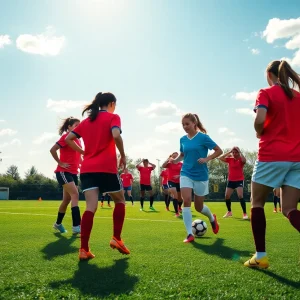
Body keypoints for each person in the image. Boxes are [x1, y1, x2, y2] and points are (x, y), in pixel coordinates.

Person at [244, 60, 300, 269]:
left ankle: (260, 257)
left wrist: (259, 131)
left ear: (269, 75)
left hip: (272, 155)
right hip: (297, 158)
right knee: (289, 209)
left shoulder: (265, 92)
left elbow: (260, 118)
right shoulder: (298, 97)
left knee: (257, 203)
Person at [65, 92, 130, 260]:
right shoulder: (113, 117)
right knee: (120, 200)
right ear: (111, 103)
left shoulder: (86, 122)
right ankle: (116, 237)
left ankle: (84, 249)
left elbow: (69, 139)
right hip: (107, 168)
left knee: (90, 207)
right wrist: (122, 155)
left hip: (87, 169)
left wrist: (83, 152)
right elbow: (116, 135)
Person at [170, 113, 222, 242]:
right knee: (186, 200)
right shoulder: (182, 139)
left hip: (201, 175)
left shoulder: (203, 138)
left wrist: (206, 159)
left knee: (199, 207)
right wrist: (176, 160)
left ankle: (212, 218)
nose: (185, 127)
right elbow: (182, 154)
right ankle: (189, 234)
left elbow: (218, 151)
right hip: (186, 173)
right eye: (183, 124)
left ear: (194, 123)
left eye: (187, 124)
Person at [50, 117, 82, 235]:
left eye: (79, 125)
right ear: (69, 127)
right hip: (63, 172)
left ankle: (57, 224)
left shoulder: (78, 140)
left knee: (67, 200)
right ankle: (76, 226)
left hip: (74, 173)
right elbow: (53, 149)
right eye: (76, 125)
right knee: (75, 195)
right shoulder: (65, 137)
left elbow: (79, 157)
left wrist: (82, 165)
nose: (78, 128)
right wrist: (60, 162)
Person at [219, 146, 249, 219]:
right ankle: (229, 212)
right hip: (231, 180)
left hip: (239, 180)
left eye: (236, 152)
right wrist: (229, 152)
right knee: (227, 196)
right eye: (233, 152)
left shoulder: (241, 159)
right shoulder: (230, 159)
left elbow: (244, 161)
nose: (234, 154)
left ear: (238, 153)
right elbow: (220, 158)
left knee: (240, 196)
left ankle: (244, 213)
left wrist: (240, 152)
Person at [162, 152, 183, 217]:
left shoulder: (181, 164)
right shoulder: (169, 164)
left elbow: (185, 172)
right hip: (171, 181)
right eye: (174, 157)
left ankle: (179, 207)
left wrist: (179, 176)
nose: (175, 158)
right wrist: (168, 159)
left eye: (176, 157)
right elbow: (163, 166)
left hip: (179, 181)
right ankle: (177, 213)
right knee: (175, 195)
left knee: (180, 198)